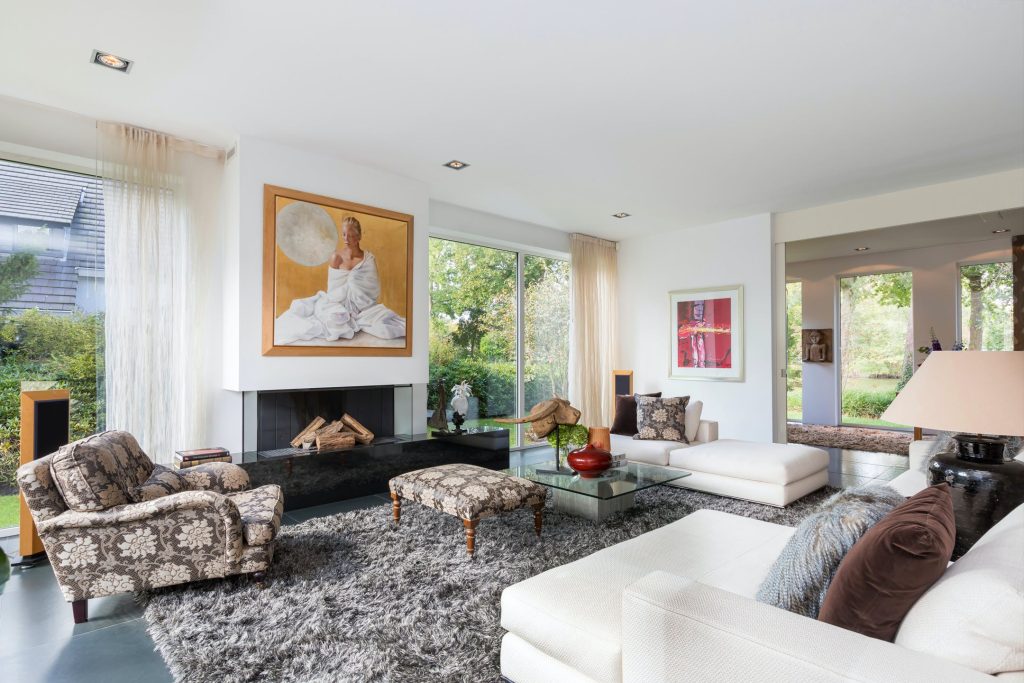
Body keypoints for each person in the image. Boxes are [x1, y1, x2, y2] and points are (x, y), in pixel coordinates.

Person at [275, 216, 406, 344]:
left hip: (363, 307)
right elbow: (332, 290)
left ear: (359, 236)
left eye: (350, 235)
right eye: (344, 234)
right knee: (333, 320)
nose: (346, 239)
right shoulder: (336, 257)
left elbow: (373, 289)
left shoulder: (368, 260)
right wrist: (344, 303)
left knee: (385, 328)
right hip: (336, 303)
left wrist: (356, 296)